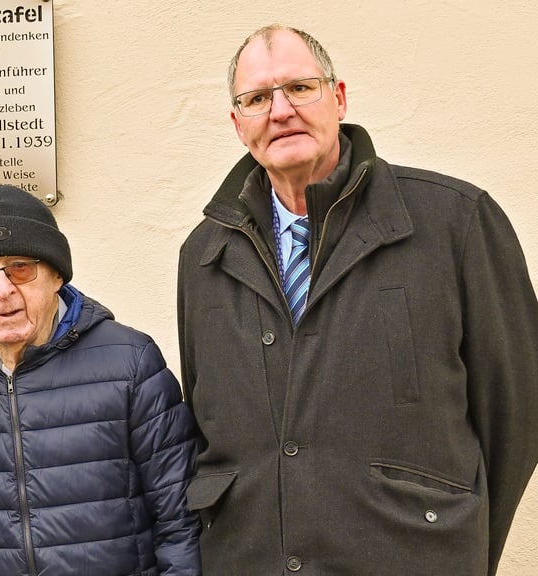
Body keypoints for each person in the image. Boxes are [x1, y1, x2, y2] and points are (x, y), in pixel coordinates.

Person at [177, 24, 538, 575]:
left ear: (338, 97)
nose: (280, 111)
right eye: (256, 99)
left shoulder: (454, 222)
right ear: (237, 123)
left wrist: (459, 539)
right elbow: (207, 425)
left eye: (300, 88)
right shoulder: (203, 255)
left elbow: (517, 411)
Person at [0, 184, 202, 575]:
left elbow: (179, 521)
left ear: (56, 274)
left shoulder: (130, 362)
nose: (3, 291)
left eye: (21, 269)